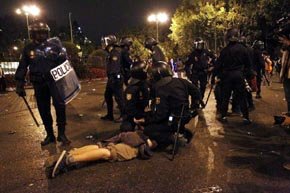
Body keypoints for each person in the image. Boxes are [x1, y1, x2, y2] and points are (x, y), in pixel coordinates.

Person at [15, 21, 71, 146]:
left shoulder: (55, 47)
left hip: (54, 82)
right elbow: (22, 66)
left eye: (43, 33)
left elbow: (65, 65)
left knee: (60, 106)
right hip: (39, 83)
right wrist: (19, 83)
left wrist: (68, 81)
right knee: (43, 109)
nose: (41, 35)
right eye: (37, 33)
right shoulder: (28, 49)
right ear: (32, 34)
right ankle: (50, 135)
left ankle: (62, 134)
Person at [134, 61, 201, 147]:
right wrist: (193, 107)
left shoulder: (160, 88)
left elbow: (161, 114)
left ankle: (171, 138)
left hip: (172, 120)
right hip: (185, 116)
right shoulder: (181, 81)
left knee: (148, 130)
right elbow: (196, 92)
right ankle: (182, 131)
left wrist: (146, 120)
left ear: (158, 73)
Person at [48, 130, 157, 178]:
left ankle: (69, 154)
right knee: (109, 152)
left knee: (101, 146)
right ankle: (69, 160)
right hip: (138, 141)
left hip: (132, 133)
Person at [214, 28, 252, 124]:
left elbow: (218, 65)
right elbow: (248, 64)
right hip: (239, 75)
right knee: (241, 96)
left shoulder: (224, 51)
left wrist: (217, 75)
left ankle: (223, 116)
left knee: (225, 97)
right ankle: (246, 117)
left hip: (227, 76)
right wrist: (246, 75)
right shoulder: (243, 49)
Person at [100, 35, 125, 122]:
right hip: (111, 79)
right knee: (107, 96)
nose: (103, 44)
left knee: (119, 98)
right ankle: (110, 115)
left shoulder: (115, 53)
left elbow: (115, 68)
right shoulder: (111, 53)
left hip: (116, 78)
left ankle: (123, 115)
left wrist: (113, 78)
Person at [121, 61, 150, 132]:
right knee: (126, 129)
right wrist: (141, 118)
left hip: (145, 112)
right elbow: (130, 110)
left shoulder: (145, 83)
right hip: (134, 115)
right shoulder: (132, 89)